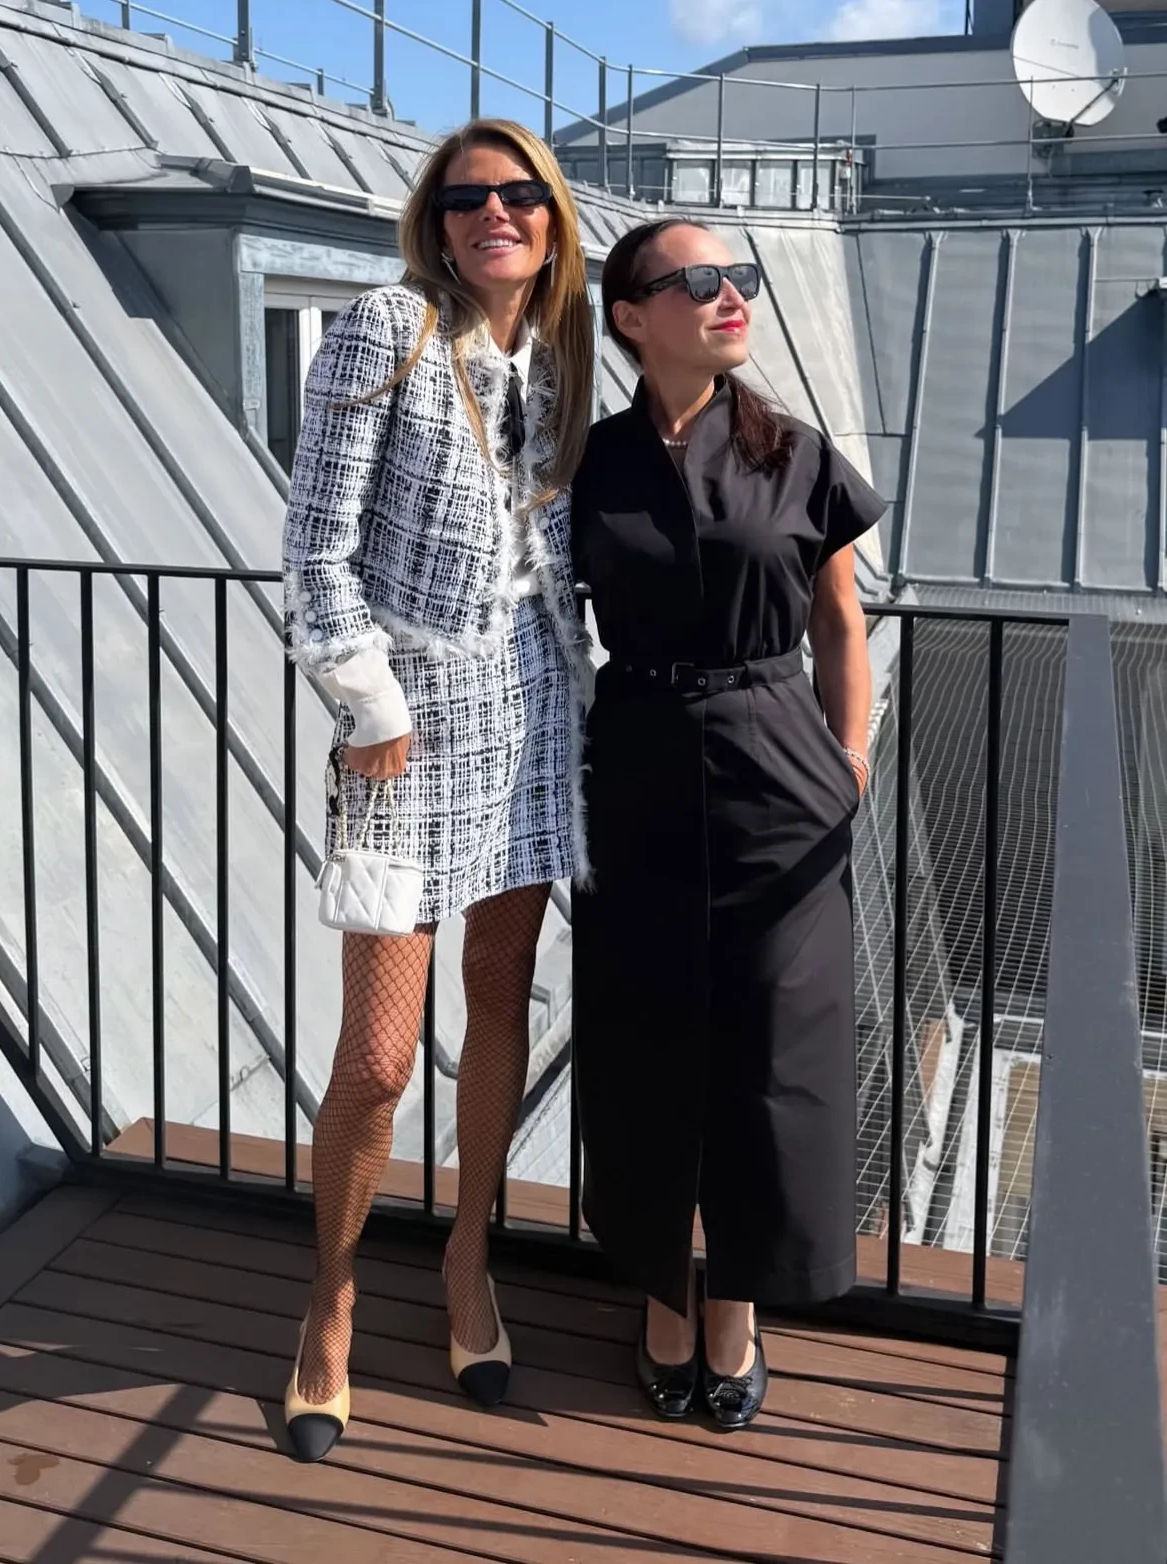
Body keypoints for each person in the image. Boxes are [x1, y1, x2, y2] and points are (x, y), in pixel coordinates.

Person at [280, 119, 593, 1461]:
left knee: (501, 994)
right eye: (467, 198)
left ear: (551, 219)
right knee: (378, 1058)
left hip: (532, 716)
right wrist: (370, 705)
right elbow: (314, 550)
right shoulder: (384, 329)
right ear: (437, 220)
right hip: (405, 730)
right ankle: (331, 1300)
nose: (493, 213)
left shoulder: (562, 357)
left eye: (519, 194)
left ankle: (470, 1259)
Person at [570, 219, 884, 1432]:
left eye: (738, 276)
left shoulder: (792, 451)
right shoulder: (589, 460)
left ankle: (738, 1301)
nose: (729, 294)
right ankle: (663, 1290)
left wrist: (848, 761)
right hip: (636, 767)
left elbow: (840, 623)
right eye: (696, 280)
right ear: (631, 317)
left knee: (773, 1047)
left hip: (777, 769)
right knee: (643, 1037)